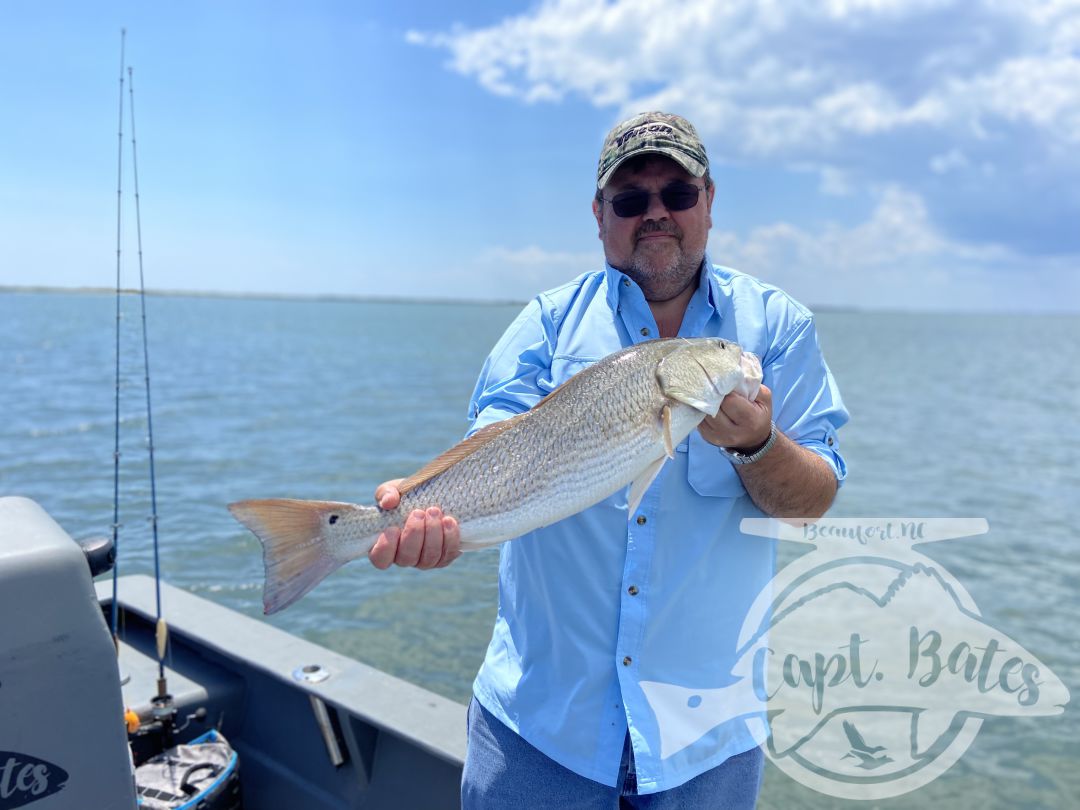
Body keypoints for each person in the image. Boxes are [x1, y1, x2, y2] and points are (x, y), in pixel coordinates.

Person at [371, 112, 848, 808]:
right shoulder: (544, 324)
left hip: (707, 742)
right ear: (600, 215)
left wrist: (757, 445)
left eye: (677, 194)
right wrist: (426, 510)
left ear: (709, 202)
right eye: (630, 200)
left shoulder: (778, 328)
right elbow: (492, 450)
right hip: (539, 732)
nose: (655, 214)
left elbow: (815, 497)